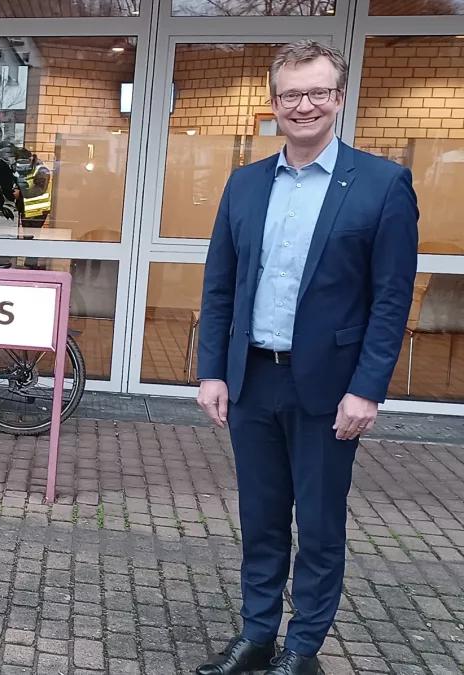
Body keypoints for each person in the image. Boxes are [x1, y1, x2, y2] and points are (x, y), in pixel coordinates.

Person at [195, 41, 418, 675]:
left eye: (318, 92)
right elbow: (220, 284)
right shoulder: (245, 183)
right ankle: (258, 634)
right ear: (274, 104)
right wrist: (213, 370)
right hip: (252, 381)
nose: (305, 105)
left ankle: (302, 649)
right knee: (261, 519)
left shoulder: (381, 184)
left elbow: (391, 297)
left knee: (319, 526)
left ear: (339, 98)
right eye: (292, 94)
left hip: (329, 389)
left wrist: (368, 388)